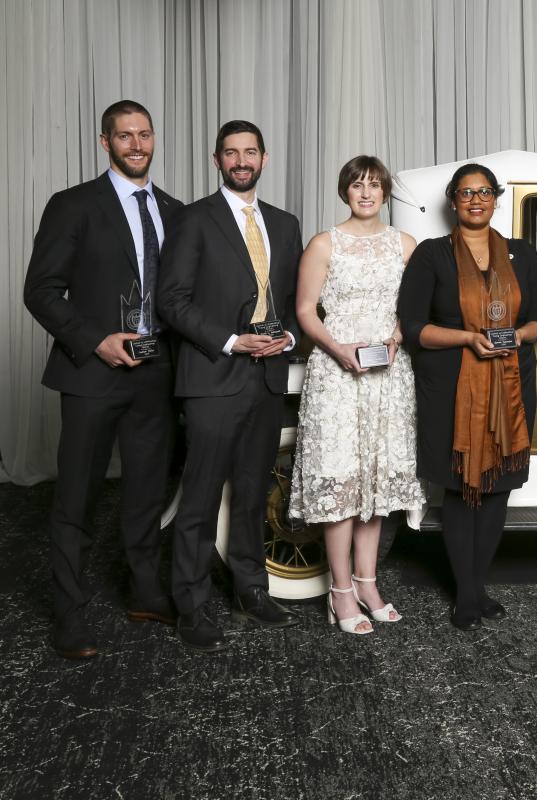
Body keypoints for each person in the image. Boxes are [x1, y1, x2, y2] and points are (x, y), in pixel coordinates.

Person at [23, 100, 183, 659]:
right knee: (77, 495)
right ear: (104, 141)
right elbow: (40, 290)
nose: (136, 145)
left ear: (154, 138)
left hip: (156, 373)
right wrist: (96, 339)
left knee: (144, 491)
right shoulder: (73, 206)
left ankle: (144, 591)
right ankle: (69, 613)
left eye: (144, 135)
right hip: (92, 371)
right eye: (124, 136)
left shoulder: (173, 209)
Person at [157, 120, 303, 652]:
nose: (242, 160)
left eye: (251, 152)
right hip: (213, 376)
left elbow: (292, 300)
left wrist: (286, 333)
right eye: (231, 153)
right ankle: (191, 607)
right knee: (198, 498)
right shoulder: (193, 219)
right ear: (216, 160)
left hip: (267, 376)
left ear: (264, 158)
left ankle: (251, 589)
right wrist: (229, 341)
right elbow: (170, 301)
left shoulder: (286, 225)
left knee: (250, 494)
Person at [399, 163, 537, 631]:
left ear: (496, 198)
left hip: (510, 387)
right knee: (460, 488)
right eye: (466, 193)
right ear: (453, 200)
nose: (476, 199)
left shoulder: (524, 255)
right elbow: (413, 329)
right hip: (450, 388)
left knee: (498, 489)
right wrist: (469, 338)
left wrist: (516, 335)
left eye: (484, 191)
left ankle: (475, 586)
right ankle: (467, 595)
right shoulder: (432, 256)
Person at [289, 156, 424, 635]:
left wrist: (399, 335)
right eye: (356, 185)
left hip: (388, 373)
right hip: (337, 372)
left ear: (385, 193)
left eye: (374, 185)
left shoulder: (405, 245)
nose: (365, 193)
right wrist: (338, 349)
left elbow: (417, 306)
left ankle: (368, 583)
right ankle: (340, 591)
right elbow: (306, 311)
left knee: (377, 479)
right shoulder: (324, 244)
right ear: (344, 192)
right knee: (342, 481)